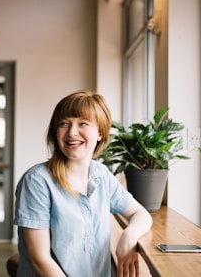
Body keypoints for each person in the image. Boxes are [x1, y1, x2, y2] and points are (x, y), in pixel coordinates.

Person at [14, 90, 152, 277]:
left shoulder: (101, 174)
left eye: (82, 124)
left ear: (100, 133)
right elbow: (41, 259)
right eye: (64, 124)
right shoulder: (36, 181)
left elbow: (140, 213)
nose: (72, 132)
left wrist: (129, 235)